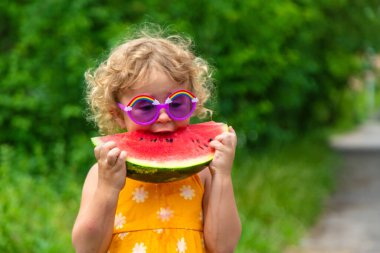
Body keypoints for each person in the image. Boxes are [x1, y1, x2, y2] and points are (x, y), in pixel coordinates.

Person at [72, 26, 241, 253]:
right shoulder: (102, 173)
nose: (163, 116)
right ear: (118, 115)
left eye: (177, 103)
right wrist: (108, 188)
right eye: (144, 106)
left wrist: (222, 176)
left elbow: (224, 247)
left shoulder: (203, 172)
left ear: (195, 103)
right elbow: (86, 248)